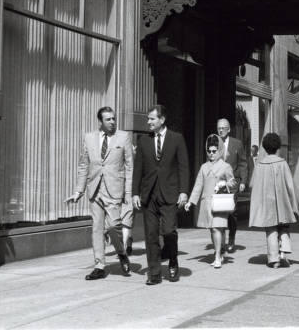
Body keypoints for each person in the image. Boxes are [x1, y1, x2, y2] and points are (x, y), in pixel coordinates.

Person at [65, 106, 133, 280]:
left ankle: (121, 253)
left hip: (114, 189)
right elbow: (83, 165)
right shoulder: (89, 138)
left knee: (113, 225)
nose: (112, 122)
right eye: (108, 119)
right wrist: (78, 191)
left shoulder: (123, 137)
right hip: (95, 189)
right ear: (100, 122)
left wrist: (128, 193)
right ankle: (99, 266)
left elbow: (129, 167)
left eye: (113, 118)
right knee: (96, 229)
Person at [132, 105, 190, 285]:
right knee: (150, 235)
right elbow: (138, 169)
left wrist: (183, 191)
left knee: (169, 231)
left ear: (162, 120)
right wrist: (134, 193)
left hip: (170, 193)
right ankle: (154, 273)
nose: (148, 122)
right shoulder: (143, 141)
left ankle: (173, 260)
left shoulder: (177, 139)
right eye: (148, 119)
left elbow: (183, 167)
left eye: (152, 119)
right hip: (149, 195)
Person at [249, 132, 299, 268]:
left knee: (270, 229)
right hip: (282, 201)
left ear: (264, 147)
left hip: (266, 202)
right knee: (284, 225)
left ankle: (273, 259)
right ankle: (284, 252)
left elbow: (253, 185)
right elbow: (289, 185)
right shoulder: (282, 163)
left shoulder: (259, 165)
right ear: (278, 147)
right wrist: (293, 203)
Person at [185, 134, 237, 268]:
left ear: (219, 150)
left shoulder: (225, 166)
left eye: (214, 151)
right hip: (207, 203)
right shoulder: (204, 167)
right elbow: (198, 185)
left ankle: (218, 256)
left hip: (219, 202)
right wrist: (190, 202)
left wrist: (224, 184)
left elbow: (233, 183)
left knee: (216, 228)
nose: (211, 154)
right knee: (213, 230)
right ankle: (220, 251)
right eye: (209, 151)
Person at [216, 118, 248, 253]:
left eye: (223, 127)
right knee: (218, 212)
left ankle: (231, 239)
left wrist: (243, 182)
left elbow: (243, 163)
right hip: (217, 184)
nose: (221, 130)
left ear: (229, 129)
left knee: (231, 213)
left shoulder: (237, 144)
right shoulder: (213, 142)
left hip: (232, 183)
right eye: (219, 128)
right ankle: (220, 242)